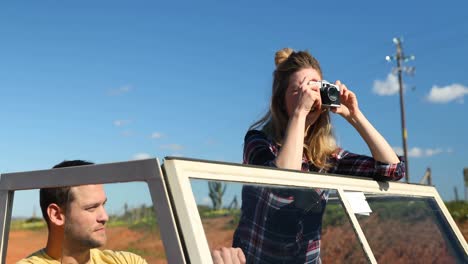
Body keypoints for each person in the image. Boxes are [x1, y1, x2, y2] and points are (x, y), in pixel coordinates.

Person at [232, 48, 405, 263]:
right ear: (281, 102)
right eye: (299, 90)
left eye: (315, 87)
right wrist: (300, 113)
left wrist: (355, 116)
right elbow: (283, 181)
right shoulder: (259, 142)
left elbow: (392, 169)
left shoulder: (325, 157)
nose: (309, 96)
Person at [17, 160, 148, 264]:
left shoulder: (128, 261)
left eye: (104, 205)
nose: (105, 217)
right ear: (56, 215)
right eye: (91, 208)